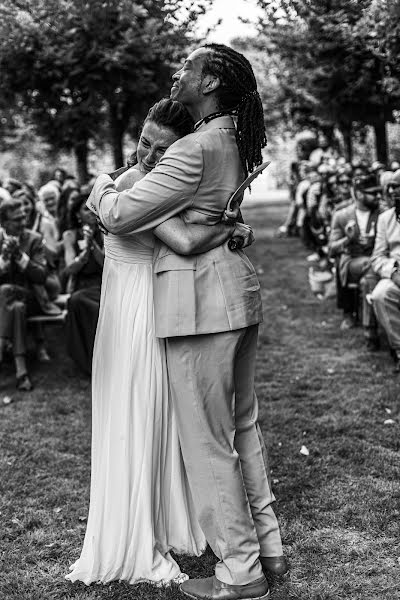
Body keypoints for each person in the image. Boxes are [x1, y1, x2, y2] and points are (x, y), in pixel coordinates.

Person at [88, 44, 287, 600]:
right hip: (233, 295)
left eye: (188, 68)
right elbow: (204, 220)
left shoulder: (195, 147)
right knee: (242, 428)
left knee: (207, 443)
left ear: (213, 79)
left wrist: (104, 187)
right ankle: (267, 547)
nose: (177, 74)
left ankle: (240, 573)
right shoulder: (232, 140)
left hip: (200, 306)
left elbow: (124, 214)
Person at [66, 98, 253, 586]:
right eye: (146, 142)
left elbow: (189, 228)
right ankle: (136, 530)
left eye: (162, 148)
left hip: (145, 305)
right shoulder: (132, 189)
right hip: (136, 315)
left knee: (157, 417)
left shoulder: (129, 187)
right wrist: (230, 226)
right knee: (139, 414)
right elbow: (188, 241)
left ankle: (166, 517)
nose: (150, 154)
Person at [329, 174, 381, 347]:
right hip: (351, 262)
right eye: (373, 193)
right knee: (370, 265)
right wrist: (348, 239)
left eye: (379, 192)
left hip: (376, 261)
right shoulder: (342, 215)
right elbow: (331, 249)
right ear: (358, 194)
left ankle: (370, 332)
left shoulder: (383, 213)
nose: (379, 196)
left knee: (368, 280)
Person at [0, 198, 47, 390]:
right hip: (6, 306)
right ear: (3, 223)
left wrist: (19, 256)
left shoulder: (33, 239)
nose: (23, 222)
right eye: (17, 219)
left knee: (5, 291)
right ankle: (21, 372)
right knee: (15, 307)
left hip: (31, 297)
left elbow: (42, 276)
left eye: (23, 217)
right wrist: (3, 258)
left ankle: (1, 346)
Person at [63, 194, 104, 374]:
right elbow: (70, 268)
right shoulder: (70, 235)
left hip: (104, 284)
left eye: (93, 208)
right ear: (78, 214)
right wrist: (84, 254)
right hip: (82, 285)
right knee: (77, 300)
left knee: (93, 307)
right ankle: (85, 361)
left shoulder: (106, 232)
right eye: (86, 209)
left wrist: (92, 245)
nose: (91, 212)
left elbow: (106, 263)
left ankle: (99, 359)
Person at [370, 170, 400, 372]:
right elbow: (377, 257)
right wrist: (393, 273)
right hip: (397, 272)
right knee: (381, 294)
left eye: (397, 187)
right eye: (391, 187)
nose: (392, 191)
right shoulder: (385, 219)